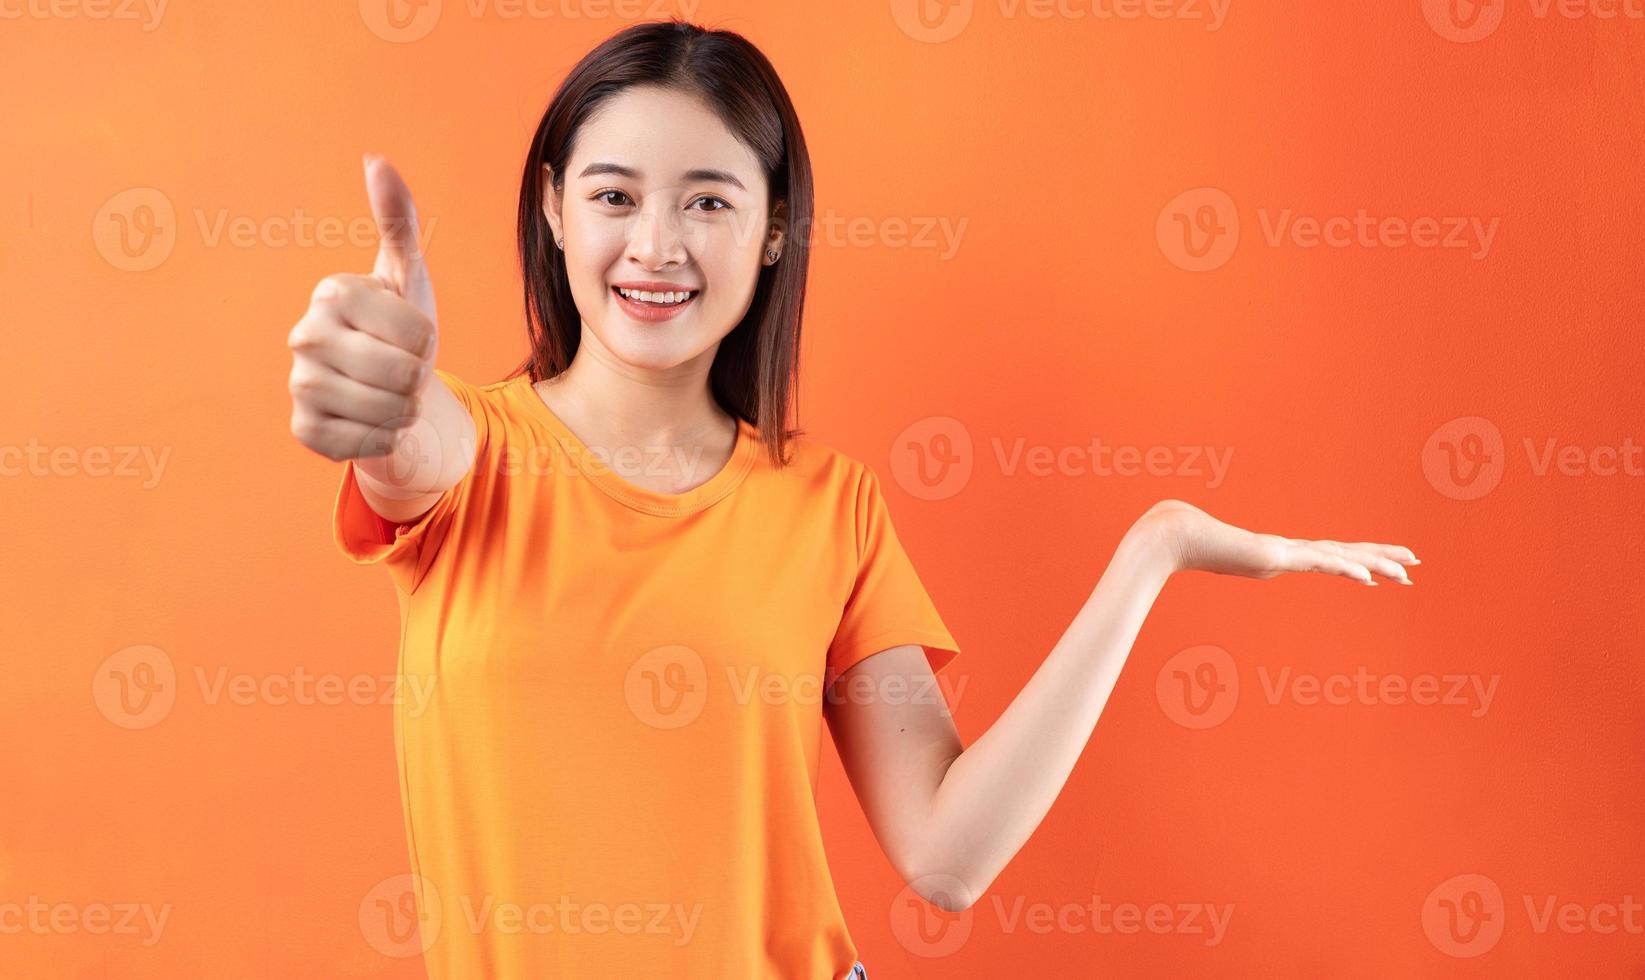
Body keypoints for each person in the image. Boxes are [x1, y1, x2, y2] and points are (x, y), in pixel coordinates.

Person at [284, 19, 1418, 979]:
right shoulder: (474, 453)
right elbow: (404, 444)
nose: (655, 244)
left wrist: (1152, 548)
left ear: (774, 227)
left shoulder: (830, 505)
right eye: (614, 195)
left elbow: (946, 852)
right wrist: (378, 390)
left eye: (710, 202)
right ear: (553, 211)